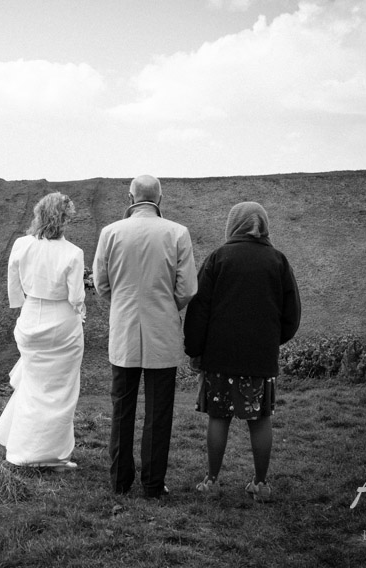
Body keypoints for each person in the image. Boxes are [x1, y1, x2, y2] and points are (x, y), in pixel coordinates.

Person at [183, 201, 301, 502]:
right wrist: (271, 341)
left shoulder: (218, 258)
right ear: (263, 224)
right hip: (259, 358)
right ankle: (261, 485)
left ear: (232, 224)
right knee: (260, 419)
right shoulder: (278, 261)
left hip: (219, 358)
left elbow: (199, 310)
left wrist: (195, 349)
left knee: (218, 418)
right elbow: (292, 315)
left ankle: (211, 481)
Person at [93, 175, 198, 498]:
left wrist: (123, 302)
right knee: (159, 411)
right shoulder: (177, 233)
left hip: (124, 329)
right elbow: (188, 289)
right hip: (162, 330)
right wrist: (166, 304)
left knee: (122, 408)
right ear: (160, 199)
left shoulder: (110, 233)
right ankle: (153, 484)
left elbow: (101, 283)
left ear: (130, 197)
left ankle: (120, 482)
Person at [0, 192, 86, 472]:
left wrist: (23, 306)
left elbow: (13, 284)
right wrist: (81, 313)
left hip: (31, 320)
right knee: (61, 392)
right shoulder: (73, 253)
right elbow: (76, 297)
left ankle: (22, 449)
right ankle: (53, 456)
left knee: (33, 387)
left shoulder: (22, 245)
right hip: (62, 326)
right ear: (65, 219)